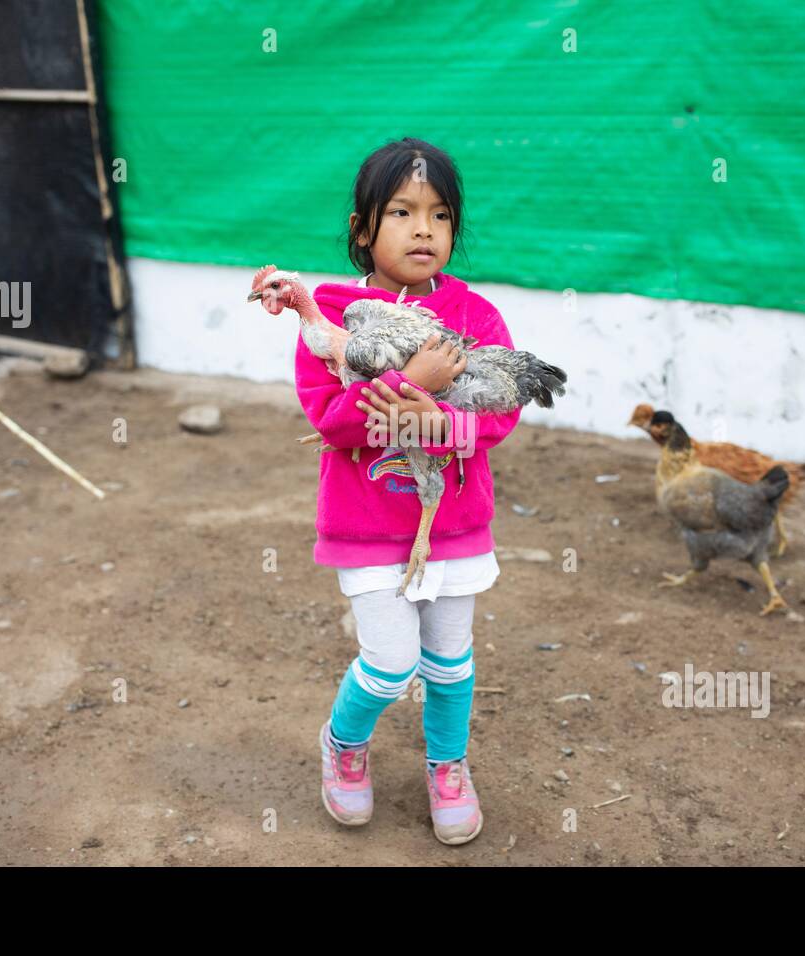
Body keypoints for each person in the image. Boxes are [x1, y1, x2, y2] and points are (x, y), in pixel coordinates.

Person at [295, 137, 523, 845]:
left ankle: (447, 765)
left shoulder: (475, 315)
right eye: (401, 211)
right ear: (363, 230)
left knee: (451, 661)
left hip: (454, 524)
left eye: (440, 215)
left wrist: (446, 419)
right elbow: (332, 423)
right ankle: (344, 742)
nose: (424, 228)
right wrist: (410, 385)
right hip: (365, 528)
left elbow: (502, 411)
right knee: (392, 665)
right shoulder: (333, 316)